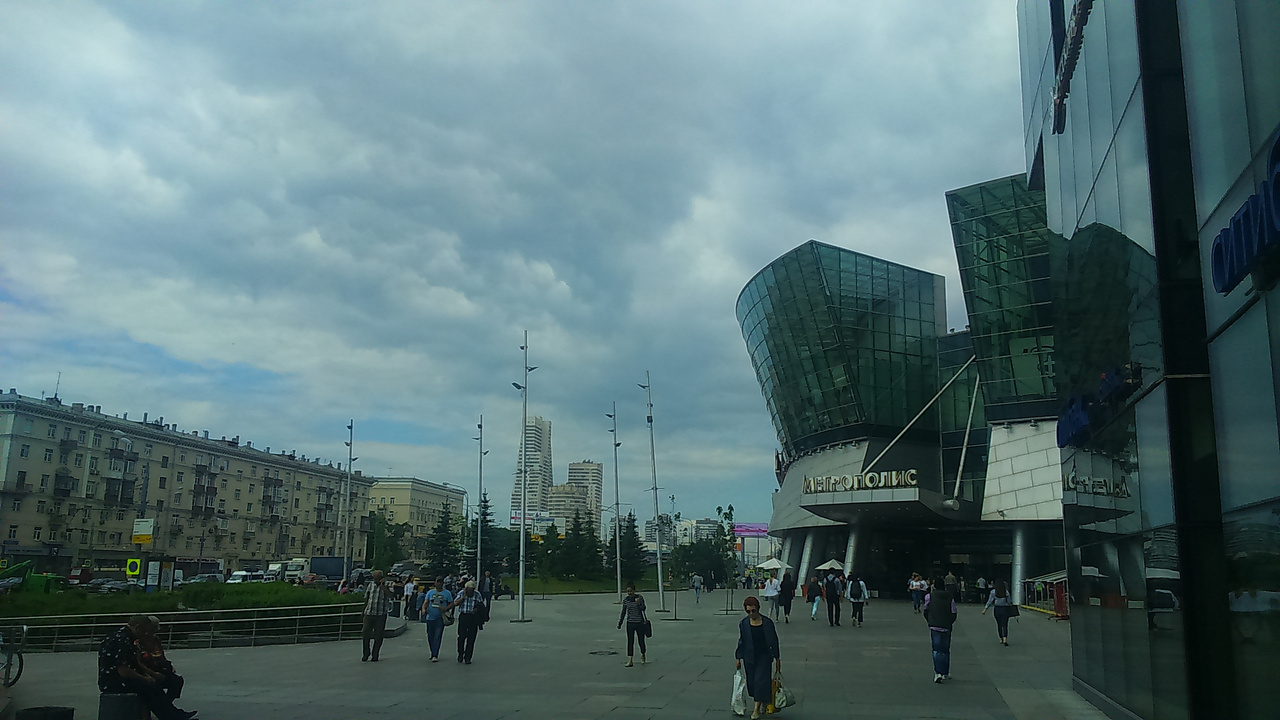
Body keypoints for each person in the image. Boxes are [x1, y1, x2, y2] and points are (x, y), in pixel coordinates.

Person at [98, 615, 196, 720]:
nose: (144, 635)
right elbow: (124, 670)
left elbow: (134, 662)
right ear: (138, 628)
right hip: (114, 682)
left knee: (154, 685)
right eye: (144, 631)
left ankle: (173, 714)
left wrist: (152, 674)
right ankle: (171, 716)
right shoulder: (124, 640)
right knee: (150, 687)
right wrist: (145, 678)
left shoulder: (117, 635)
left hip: (111, 679)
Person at [734, 596, 781, 720]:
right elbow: (742, 641)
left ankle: (756, 710)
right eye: (748, 611)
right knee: (752, 684)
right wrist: (738, 658)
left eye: (753, 611)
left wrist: (777, 658)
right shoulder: (744, 623)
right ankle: (763, 701)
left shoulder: (767, 623)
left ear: (758, 609)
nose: (751, 614)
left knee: (760, 681)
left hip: (764, 657)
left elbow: (774, 640)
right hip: (749, 658)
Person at [138, 616, 184, 702]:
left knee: (177, 681)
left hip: (159, 667)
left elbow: (161, 654)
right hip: (147, 669)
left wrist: (168, 664)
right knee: (154, 684)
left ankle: (166, 704)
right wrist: (151, 673)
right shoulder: (138, 641)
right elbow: (137, 662)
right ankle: (163, 706)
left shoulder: (156, 639)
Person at [923, 577, 958, 683]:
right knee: (945, 650)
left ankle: (938, 672)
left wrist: (930, 620)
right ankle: (945, 672)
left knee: (936, 650)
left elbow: (926, 610)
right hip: (946, 626)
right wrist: (949, 622)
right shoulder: (950, 597)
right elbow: (954, 612)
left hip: (935, 626)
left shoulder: (929, 596)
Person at [450, 580, 487, 664]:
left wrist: (477, 609)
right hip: (464, 616)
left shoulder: (477, 594)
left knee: (471, 638)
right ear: (466, 589)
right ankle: (460, 653)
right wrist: (463, 597)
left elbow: (481, 605)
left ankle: (468, 657)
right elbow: (455, 603)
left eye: (472, 589)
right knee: (461, 637)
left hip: (473, 617)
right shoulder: (461, 593)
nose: (471, 591)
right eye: (469, 589)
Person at [361, 570, 393, 662]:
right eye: (374, 578)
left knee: (378, 635)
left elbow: (391, 596)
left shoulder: (388, 584)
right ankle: (366, 653)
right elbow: (367, 597)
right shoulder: (371, 585)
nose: (375, 580)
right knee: (365, 633)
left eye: (377, 579)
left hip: (380, 614)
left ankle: (375, 654)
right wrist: (363, 611)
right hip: (369, 613)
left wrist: (383, 586)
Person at [617, 582, 649, 667]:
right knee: (630, 641)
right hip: (630, 623)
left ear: (634, 590)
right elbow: (623, 612)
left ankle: (643, 654)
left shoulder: (640, 598)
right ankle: (630, 660)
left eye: (630, 591)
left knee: (641, 640)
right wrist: (620, 622)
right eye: (628, 591)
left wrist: (639, 603)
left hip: (639, 623)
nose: (629, 593)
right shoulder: (626, 600)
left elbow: (643, 608)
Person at [982, 579, 1015, 645]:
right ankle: (1005, 638)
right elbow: (1009, 602)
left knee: (999, 624)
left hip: (997, 609)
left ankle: (1001, 638)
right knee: (1005, 624)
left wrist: (985, 609)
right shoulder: (1006, 592)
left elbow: (990, 601)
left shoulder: (993, 592)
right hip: (1005, 609)